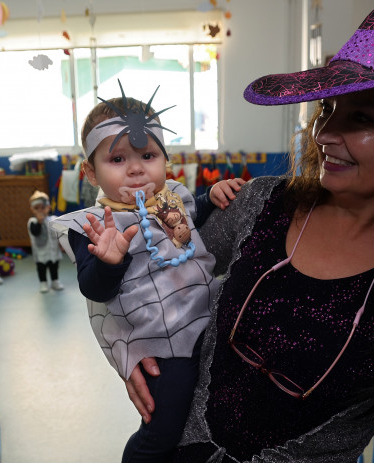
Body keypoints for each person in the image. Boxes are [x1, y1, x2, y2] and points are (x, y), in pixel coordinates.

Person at [125, 1, 374, 461]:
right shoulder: (259, 204)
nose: (324, 132)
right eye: (329, 108)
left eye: (362, 118)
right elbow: (149, 271)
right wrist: (130, 346)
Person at [53, 83, 244, 463]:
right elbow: (93, 288)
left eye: (147, 154)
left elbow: (196, 211)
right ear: (90, 173)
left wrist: (216, 194)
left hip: (208, 317)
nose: (137, 168)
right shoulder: (90, 225)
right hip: (161, 345)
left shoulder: (172, 196)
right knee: (163, 430)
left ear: (165, 160)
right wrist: (109, 260)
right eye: (118, 159)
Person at [27, 190, 64, 293]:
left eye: (42, 207)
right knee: (41, 267)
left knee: (54, 266)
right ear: (32, 209)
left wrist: (61, 244)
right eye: (36, 208)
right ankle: (43, 282)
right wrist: (39, 221)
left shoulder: (53, 219)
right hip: (40, 252)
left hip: (53, 251)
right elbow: (35, 232)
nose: (40, 211)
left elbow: (59, 234)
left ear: (48, 207)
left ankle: (55, 280)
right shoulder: (32, 222)